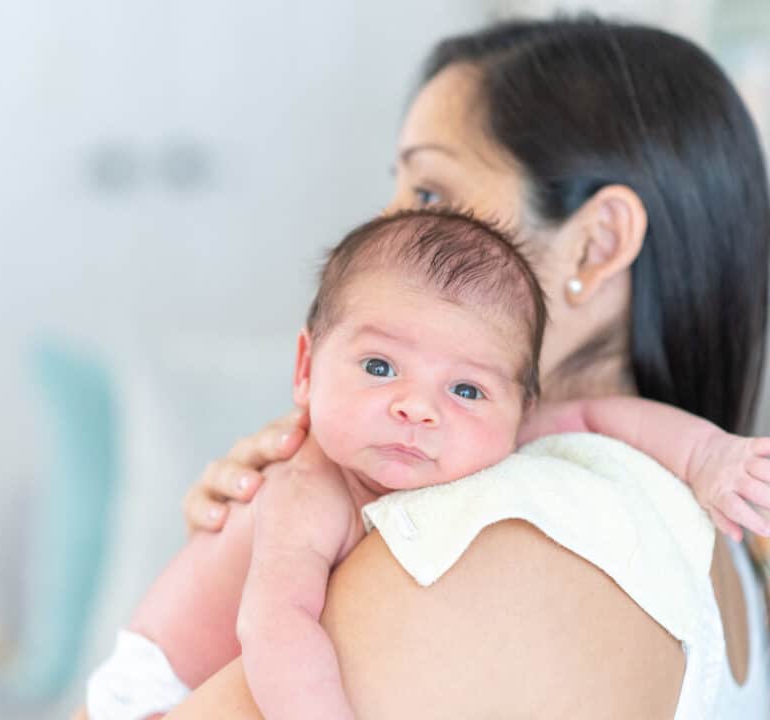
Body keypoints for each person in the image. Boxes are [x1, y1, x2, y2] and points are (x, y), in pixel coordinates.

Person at [163, 15, 770, 720]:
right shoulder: (711, 555)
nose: (385, 230)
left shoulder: (483, 543)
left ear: (595, 245)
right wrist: (223, 573)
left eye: (428, 194)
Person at [85, 200, 770, 719]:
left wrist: (711, 456)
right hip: (149, 691)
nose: (418, 408)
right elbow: (274, 624)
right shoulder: (308, 486)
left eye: (466, 388)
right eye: (380, 366)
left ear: (519, 409)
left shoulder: (494, 453)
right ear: (305, 368)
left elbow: (595, 417)